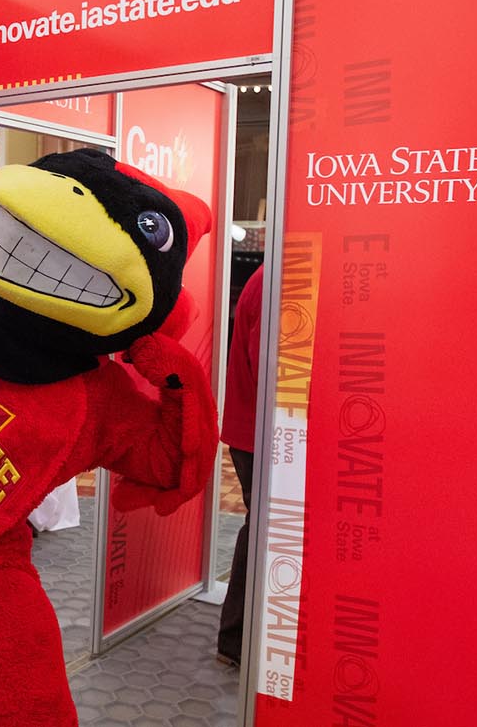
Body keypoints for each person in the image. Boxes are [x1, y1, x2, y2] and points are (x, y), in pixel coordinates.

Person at [216, 264, 264, 665]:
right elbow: (267, 365)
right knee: (263, 532)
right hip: (261, 436)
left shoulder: (272, 276)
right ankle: (236, 642)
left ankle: (238, 640)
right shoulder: (276, 280)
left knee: (260, 529)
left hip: (258, 434)